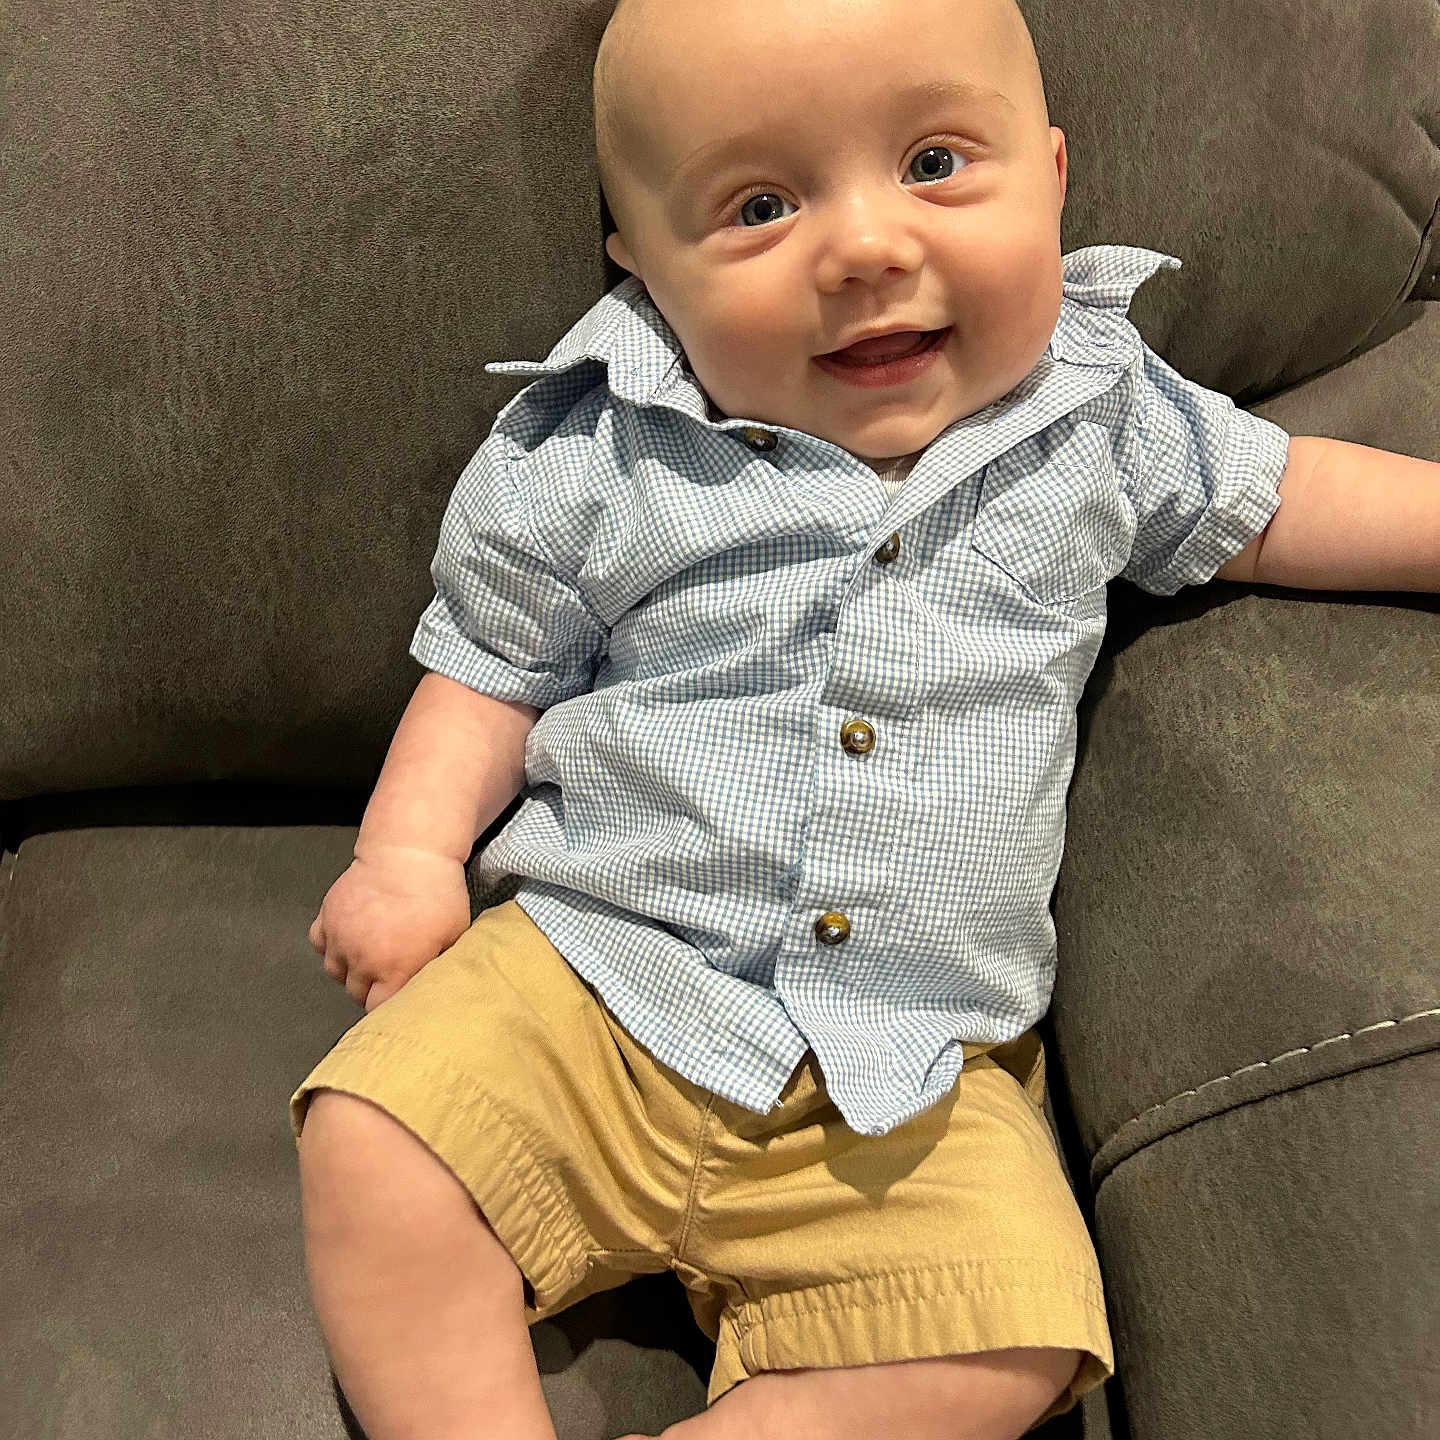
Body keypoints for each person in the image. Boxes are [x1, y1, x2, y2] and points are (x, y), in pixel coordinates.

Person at [290, 1, 1440, 1438]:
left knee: (1017, 1337)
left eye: (939, 163)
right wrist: (405, 855)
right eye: (762, 205)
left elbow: (1287, 505)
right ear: (642, 268)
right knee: (372, 1145)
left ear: (1056, 175)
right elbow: (488, 663)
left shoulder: (1100, 413)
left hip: (910, 1069)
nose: (869, 249)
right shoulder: (602, 443)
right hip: (598, 976)